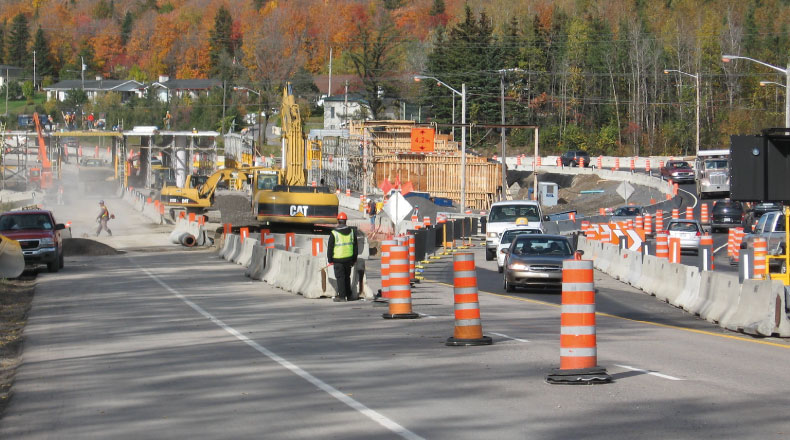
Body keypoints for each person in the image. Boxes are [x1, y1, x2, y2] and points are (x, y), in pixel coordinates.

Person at [327, 212, 358, 302]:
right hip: (349, 259)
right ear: (345, 221)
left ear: (338, 221)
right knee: (347, 277)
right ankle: (349, 295)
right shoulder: (352, 232)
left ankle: (342, 296)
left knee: (340, 277)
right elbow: (355, 246)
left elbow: (330, 247)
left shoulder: (334, 233)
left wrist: (330, 259)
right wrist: (354, 258)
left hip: (338, 259)